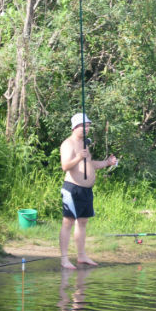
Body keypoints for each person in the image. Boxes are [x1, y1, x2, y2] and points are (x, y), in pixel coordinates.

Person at [59, 113, 117, 270]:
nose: (87, 128)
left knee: (83, 222)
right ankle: (64, 259)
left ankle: (81, 255)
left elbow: (90, 164)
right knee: (68, 222)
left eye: (88, 126)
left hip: (86, 190)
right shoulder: (68, 144)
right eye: (83, 126)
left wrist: (107, 162)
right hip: (72, 189)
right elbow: (65, 166)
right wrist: (78, 157)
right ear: (75, 127)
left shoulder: (85, 145)